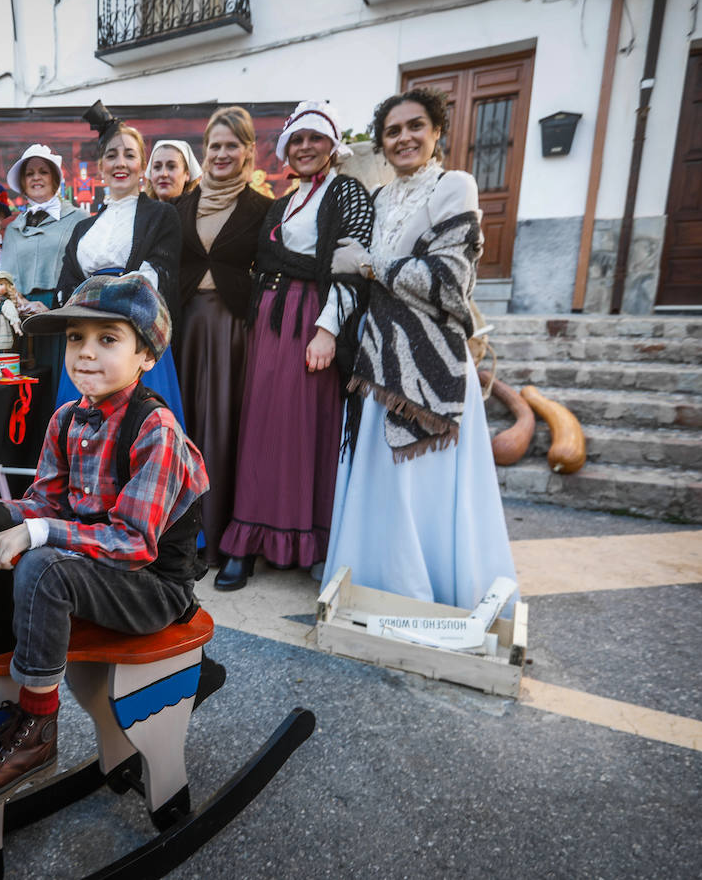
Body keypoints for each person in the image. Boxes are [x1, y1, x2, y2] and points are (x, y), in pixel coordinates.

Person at [0, 272, 209, 804]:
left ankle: (37, 729)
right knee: (1, 546)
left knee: (42, 566)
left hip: (151, 588)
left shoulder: (156, 432)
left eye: (108, 339)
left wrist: (36, 534)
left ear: (146, 356)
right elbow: (43, 501)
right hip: (100, 573)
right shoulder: (65, 420)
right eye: (76, 337)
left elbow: (132, 543)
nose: (85, 353)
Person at [324, 87, 516, 612]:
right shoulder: (381, 198)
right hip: (378, 358)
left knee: (425, 487)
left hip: (431, 364)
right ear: (382, 144)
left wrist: (370, 265)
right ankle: (379, 594)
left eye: (415, 126)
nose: (404, 137)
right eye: (392, 131)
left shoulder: (454, 186)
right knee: (382, 484)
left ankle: (430, 596)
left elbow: (451, 283)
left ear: (436, 133)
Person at [216, 101, 374, 590]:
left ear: (331, 146)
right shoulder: (283, 202)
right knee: (260, 428)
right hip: (270, 319)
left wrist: (327, 330)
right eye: (297, 140)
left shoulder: (348, 193)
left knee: (307, 430)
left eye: (315, 139)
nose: (306, 148)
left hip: (313, 318)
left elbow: (352, 266)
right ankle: (246, 542)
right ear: (287, 149)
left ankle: (314, 545)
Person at [173, 106, 272, 567]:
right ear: (204, 151)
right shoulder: (181, 207)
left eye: (233, 145)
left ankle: (226, 539)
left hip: (235, 330)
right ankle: (183, 540)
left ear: (249, 151)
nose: (222, 153)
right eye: (215, 145)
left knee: (228, 432)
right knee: (185, 428)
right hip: (186, 330)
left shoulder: (263, 208)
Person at [56, 102, 185, 424]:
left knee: (135, 425)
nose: (120, 162)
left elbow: (157, 275)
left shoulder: (161, 215)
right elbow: (67, 283)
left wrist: (109, 308)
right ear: (100, 166)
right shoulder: (83, 227)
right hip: (87, 332)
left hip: (132, 329)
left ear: (142, 165)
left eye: (129, 154)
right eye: (112, 155)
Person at [2, 143, 88, 407]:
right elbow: (5, 276)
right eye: (30, 173)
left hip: (60, 315)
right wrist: (17, 302)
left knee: (60, 390)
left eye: (43, 171)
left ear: (55, 178)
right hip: (21, 320)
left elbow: (83, 273)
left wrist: (53, 308)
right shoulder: (13, 228)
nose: (36, 177)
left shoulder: (78, 219)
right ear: (22, 182)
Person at [145, 139, 202, 203]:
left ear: (187, 174)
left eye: (171, 167)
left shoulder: (200, 211)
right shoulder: (138, 211)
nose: (163, 174)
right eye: (157, 167)